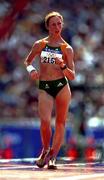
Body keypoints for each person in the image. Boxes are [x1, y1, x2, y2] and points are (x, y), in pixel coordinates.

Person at [24, 11, 75, 169]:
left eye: (59, 24)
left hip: (61, 86)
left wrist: (62, 66)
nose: (57, 27)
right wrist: (31, 70)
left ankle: (53, 156)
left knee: (60, 123)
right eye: (53, 24)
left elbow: (72, 76)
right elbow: (27, 61)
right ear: (47, 26)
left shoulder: (67, 48)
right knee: (45, 122)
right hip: (45, 86)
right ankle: (45, 150)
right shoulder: (40, 44)